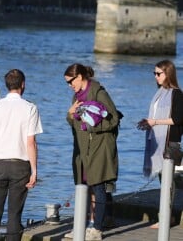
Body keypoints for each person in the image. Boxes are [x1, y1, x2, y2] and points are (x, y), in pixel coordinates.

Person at [0, 69, 43, 241]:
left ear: (6, 85)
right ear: (22, 85)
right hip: (20, 166)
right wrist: (34, 171)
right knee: (14, 215)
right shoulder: (31, 108)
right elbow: (31, 143)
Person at [64, 63, 119, 241]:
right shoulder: (76, 97)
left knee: (98, 185)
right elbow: (74, 122)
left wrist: (91, 126)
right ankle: (81, 225)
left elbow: (114, 119)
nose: (69, 85)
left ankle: (96, 229)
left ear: (79, 77)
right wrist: (70, 114)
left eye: (70, 81)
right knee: (83, 185)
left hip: (100, 147)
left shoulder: (99, 92)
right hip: (81, 148)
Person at [137, 59, 183, 228]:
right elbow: (157, 118)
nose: (155, 76)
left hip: (170, 141)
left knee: (167, 182)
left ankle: (166, 218)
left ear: (168, 73)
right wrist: (148, 123)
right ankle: (165, 216)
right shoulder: (159, 94)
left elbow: (178, 119)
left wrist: (155, 122)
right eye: (154, 73)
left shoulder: (176, 93)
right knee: (163, 180)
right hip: (158, 141)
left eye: (158, 73)